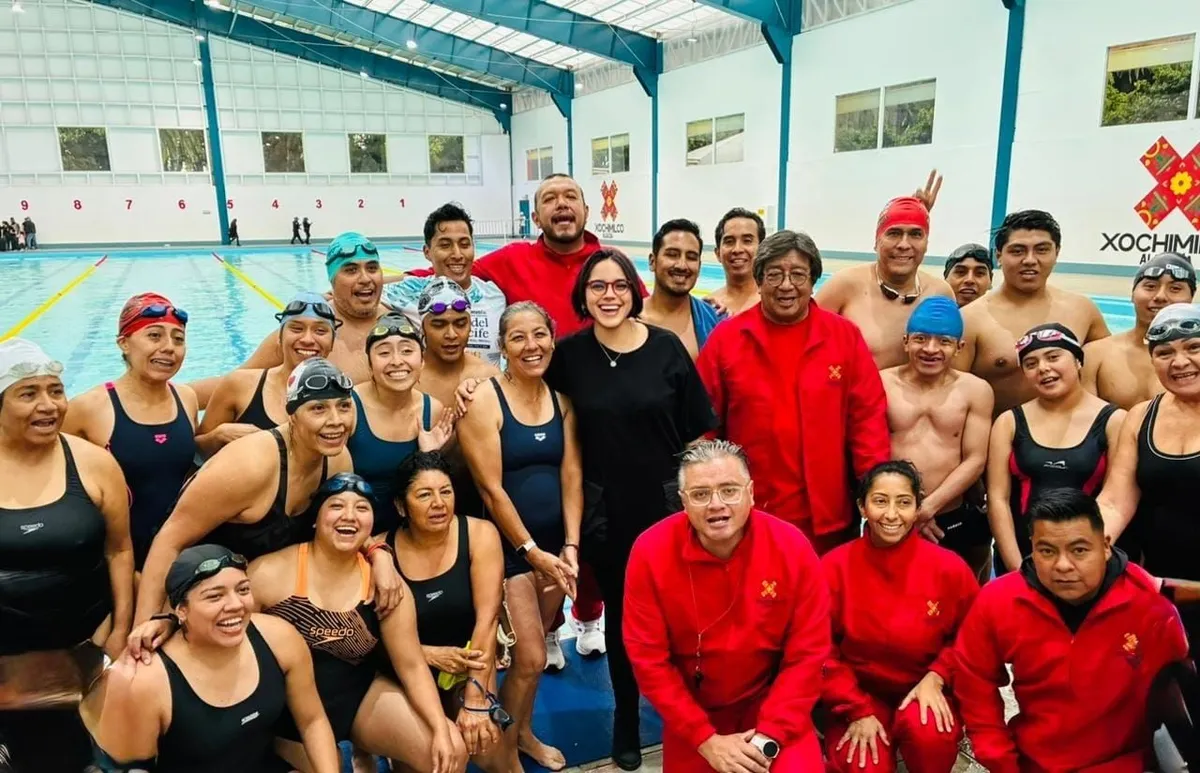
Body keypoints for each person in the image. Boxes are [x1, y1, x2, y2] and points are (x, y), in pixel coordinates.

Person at [128, 359, 401, 657]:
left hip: (247, 599)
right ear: (293, 414)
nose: (336, 420)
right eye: (318, 409)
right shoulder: (251, 465)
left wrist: (380, 555)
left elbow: (345, 524)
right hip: (188, 595)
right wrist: (146, 625)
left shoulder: (336, 460)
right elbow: (170, 540)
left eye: (344, 407)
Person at [623, 440, 830, 772]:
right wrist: (705, 739)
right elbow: (648, 660)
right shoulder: (649, 551)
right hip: (693, 713)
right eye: (701, 494)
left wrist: (768, 737)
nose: (716, 505)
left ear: (751, 493)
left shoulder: (791, 547)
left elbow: (808, 654)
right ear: (683, 501)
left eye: (729, 490)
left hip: (772, 703)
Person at [953, 488, 1190, 773]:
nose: (1063, 565)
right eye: (1047, 551)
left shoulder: (1148, 606)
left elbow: (1180, 699)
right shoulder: (997, 601)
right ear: (1032, 547)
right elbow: (974, 682)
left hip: (1124, 764)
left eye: (1079, 550)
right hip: (1034, 763)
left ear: (1105, 546)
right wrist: (1000, 759)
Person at [249, 474, 464, 773]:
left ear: (371, 524)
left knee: (448, 749)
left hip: (356, 697)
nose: (349, 516)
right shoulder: (269, 573)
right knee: (332, 766)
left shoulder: (385, 585)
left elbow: (412, 665)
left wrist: (440, 728)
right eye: (336, 506)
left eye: (362, 508)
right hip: (288, 715)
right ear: (316, 519)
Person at [697, 230, 890, 554]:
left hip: (827, 518)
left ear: (813, 280)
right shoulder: (726, 341)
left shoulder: (844, 338)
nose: (786, 285)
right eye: (774, 275)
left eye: (798, 275)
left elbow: (867, 422)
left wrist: (875, 492)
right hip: (747, 516)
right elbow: (704, 427)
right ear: (759, 281)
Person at [81, 545, 342, 773]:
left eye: (243, 590)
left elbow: (313, 721)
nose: (236, 605)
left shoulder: (279, 638)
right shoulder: (146, 681)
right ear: (181, 610)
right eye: (215, 596)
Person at [457, 302, 583, 772]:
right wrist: (531, 551)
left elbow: (571, 476)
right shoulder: (486, 401)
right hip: (509, 551)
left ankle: (523, 733)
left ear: (552, 338)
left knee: (536, 654)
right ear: (503, 347)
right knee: (528, 657)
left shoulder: (561, 402)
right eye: (518, 337)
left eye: (539, 335)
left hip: (554, 551)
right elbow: (490, 489)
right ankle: (503, 753)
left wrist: (570, 545)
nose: (531, 346)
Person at [0, 339, 134, 773]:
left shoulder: (95, 464)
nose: (48, 405)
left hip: (84, 649)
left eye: (56, 391)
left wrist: (120, 631)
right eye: (28, 393)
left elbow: (120, 550)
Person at [822, 461, 978, 773]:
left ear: (918, 508)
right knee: (861, 763)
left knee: (931, 736)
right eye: (880, 501)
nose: (892, 515)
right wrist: (856, 708)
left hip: (926, 686)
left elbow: (974, 637)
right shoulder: (832, 568)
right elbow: (817, 649)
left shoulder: (949, 569)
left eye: (904, 503)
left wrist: (938, 676)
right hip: (858, 692)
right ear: (862, 507)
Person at [388, 452, 507, 770]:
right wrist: (427, 654)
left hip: (466, 661)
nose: (439, 503)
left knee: (489, 746)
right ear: (401, 506)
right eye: (424, 495)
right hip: (405, 668)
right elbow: (370, 642)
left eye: (446, 491)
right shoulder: (381, 553)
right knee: (433, 759)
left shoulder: (480, 534)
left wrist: (476, 697)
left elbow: (487, 619)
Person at [63, 293, 199, 569]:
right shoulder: (89, 407)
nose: (169, 347)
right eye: (154, 336)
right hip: (114, 556)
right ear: (124, 343)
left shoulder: (186, 399)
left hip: (179, 552)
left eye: (178, 339)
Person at [1097, 302, 1200, 649]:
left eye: (1194, 347)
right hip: (1161, 584)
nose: (1180, 362)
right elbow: (1114, 501)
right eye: (1164, 353)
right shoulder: (1142, 416)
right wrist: (1085, 546)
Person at [987, 323, 1124, 573]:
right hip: (1022, 554)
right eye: (1031, 363)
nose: (1043, 368)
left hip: (1089, 560)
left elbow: (1118, 500)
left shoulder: (1115, 421)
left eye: (1053, 357)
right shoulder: (1008, 422)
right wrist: (1017, 568)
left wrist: (1088, 561)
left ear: (1078, 361)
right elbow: (998, 499)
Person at [954, 210, 1111, 415]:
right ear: (999, 256)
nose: (1029, 260)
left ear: (1057, 253)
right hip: (1000, 432)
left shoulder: (1082, 310)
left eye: (1042, 250)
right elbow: (951, 394)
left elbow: (1110, 375)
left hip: (1072, 431)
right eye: (1017, 251)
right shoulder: (970, 319)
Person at [881, 298, 994, 581]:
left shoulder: (976, 390)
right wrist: (906, 508)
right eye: (921, 339)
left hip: (952, 514)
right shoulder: (881, 384)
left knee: (962, 594)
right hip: (891, 515)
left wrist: (925, 509)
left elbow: (975, 459)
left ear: (959, 347)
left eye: (944, 342)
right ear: (906, 342)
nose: (931, 349)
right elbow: (869, 450)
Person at [816, 191, 955, 369]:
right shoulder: (844, 285)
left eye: (916, 234)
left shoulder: (940, 293)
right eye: (894, 233)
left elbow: (951, 360)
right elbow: (805, 344)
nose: (904, 244)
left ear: (926, 243)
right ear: (876, 241)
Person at [237, 231, 389, 388]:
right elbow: (235, 384)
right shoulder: (304, 330)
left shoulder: (399, 320)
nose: (365, 279)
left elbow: (406, 277)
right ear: (333, 280)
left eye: (372, 268)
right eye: (351, 270)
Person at [349, 314, 454, 534]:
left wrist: (428, 456)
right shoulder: (349, 407)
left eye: (407, 351)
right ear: (369, 364)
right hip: (353, 532)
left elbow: (435, 491)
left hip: (411, 535)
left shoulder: (433, 410)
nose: (397, 361)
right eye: (384, 353)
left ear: (422, 361)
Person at [197, 291, 338, 455]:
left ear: (332, 343)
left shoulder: (342, 397)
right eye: (296, 329)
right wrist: (217, 436)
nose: (307, 339)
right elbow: (195, 452)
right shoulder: (240, 385)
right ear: (279, 338)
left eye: (320, 331)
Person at [384, 203, 508, 367]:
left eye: (464, 244)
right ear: (427, 252)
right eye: (445, 245)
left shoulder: (495, 295)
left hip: (487, 382)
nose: (457, 254)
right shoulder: (407, 293)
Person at [1082, 252, 1196, 409]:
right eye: (1150, 286)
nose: (1160, 296)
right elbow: (1082, 418)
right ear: (1132, 294)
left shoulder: (1194, 361)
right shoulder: (1095, 354)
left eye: (1175, 288)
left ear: (1191, 299)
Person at [640, 218, 724, 359]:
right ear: (652, 262)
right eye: (672, 255)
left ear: (699, 266)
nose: (682, 265)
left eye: (691, 257)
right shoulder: (628, 318)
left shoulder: (714, 320)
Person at [705, 208, 765, 317]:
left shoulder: (774, 304)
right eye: (729, 241)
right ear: (718, 253)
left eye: (747, 241)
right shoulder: (707, 309)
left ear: (762, 250)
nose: (737, 249)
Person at [942, 243, 993, 307]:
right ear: (946, 278)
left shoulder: (1001, 313)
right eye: (960, 272)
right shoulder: (932, 311)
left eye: (980, 273)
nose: (969, 280)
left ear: (990, 279)